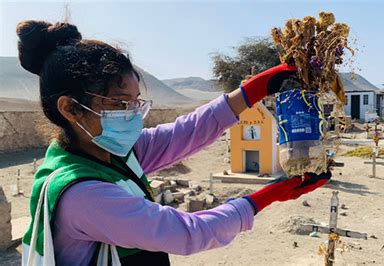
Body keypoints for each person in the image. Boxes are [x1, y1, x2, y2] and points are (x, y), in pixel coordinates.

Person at [17, 20, 331, 265]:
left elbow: (186, 132)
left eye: (136, 102)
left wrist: (256, 88)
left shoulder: (105, 151)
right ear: (70, 108)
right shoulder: (82, 195)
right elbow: (188, 233)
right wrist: (268, 196)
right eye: (119, 103)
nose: (132, 115)